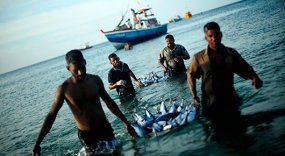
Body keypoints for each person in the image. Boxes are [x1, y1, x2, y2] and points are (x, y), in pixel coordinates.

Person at [32, 50, 136, 156]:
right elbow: (51, 115)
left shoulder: (95, 80)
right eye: (76, 70)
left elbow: (110, 103)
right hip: (87, 136)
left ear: (85, 62)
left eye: (82, 68)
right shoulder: (64, 89)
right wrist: (38, 143)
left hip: (105, 128)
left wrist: (126, 122)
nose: (80, 72)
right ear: (68, 69)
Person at [187, 22, 263, 119]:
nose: (214, 38)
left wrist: (254, 77)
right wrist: (194, 96)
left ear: (221, 34)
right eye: (210, 36)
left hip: (231, 100)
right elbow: (190, 74)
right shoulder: (199, 58)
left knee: (239, 129)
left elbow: (245, 68)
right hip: (211, 105)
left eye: (216, 34)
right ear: (206, 38)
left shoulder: (231, 54)